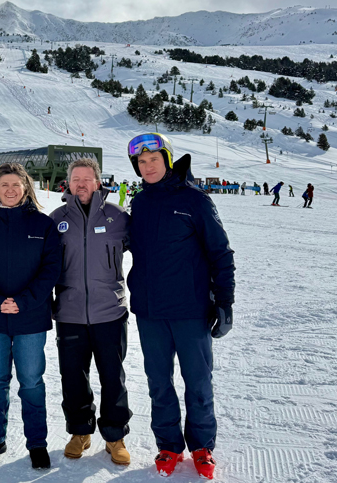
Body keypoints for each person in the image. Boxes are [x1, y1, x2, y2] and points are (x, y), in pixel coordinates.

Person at [126, 133, 235, 480]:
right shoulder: (139, 203)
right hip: (150, 311)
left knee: (198, 381)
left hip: (190, 310)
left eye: (154, 160)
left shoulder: (195, 201)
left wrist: (224, 301)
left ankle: (202, 447)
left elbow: (221, 253)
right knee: (159, 381)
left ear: (168, 160)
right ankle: (169, 445)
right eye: (141, 162)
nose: (148, 166)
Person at [0, 163, 62, 470]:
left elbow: (51, 270)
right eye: (3, 185)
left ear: (25, 188)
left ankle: (37, 443)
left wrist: (23, 301)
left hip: (30, 318)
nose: (9, 190)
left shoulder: (43, 225)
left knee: (31, 381)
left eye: (15, 185)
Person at [50, 158, 133, 465]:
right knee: (73, 376)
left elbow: (148, 252)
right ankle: (80, 431)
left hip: (109, 312)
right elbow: (44, 266)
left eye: (87, 179)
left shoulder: (117, 216)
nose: (81, 184)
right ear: (68, 184)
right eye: (76, 179)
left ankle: (115, 436)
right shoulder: (56, 219)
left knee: (113, 376)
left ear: (98, 183)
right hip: (70, 313)